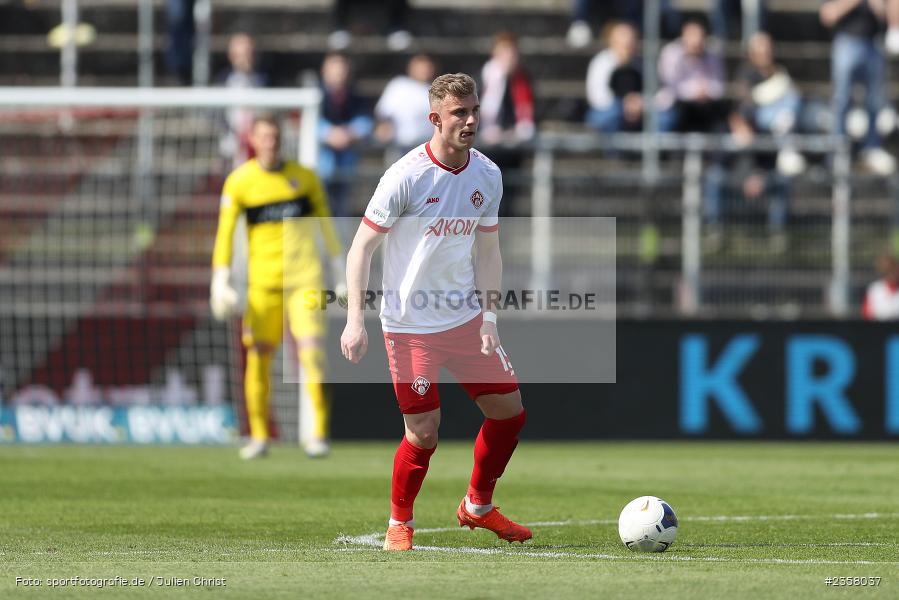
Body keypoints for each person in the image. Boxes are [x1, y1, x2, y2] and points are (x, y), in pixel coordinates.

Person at [340, 73, 530, 551]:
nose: (469, 120)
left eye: (474, 110)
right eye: (458, 113)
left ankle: (478, 506)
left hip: (464, 320)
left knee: (509, 412)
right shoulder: (405, 176)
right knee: (423, 433)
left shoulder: (488, 174)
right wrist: (355, 320)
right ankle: (399, 522)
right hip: (410, 326)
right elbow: (361, 248)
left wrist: (489, 319)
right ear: (435, 118)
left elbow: (489, 252)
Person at [210, 115, 346, 459]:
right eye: (264, 136)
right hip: (263, 284)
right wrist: (220, 278)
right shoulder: (240, 182)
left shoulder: (305, 178)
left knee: (312, 354)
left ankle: (318, 434)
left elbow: (326, 225)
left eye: (275, 136)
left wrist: (340, 270)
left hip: (305, 280)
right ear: (253, 140)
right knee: (258, 358)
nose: (270, 142)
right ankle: (259, 436)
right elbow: (225, 233)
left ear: (281, 139)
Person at [820, 0, 896, 175]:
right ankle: (838, 149)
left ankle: (872, 147)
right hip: (846, 41)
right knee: (841, 99)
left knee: (875, 101)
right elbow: (827, 15)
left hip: (872, 43)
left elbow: (885, 16)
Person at [479, 32, 535, 216]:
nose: (509, 57)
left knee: (508, 197)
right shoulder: (484, 77)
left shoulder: (522, 79)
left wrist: (518, 132)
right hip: (487, 148)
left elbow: (527, 112)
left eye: (512, 52)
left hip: (513, 147)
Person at [318, 53, 374, 217]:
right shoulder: (315, 94)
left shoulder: (355, 96)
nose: (340, 76)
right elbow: (307, 120)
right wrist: (328, 133)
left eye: (343, 72)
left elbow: (366, 122)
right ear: (324, 72)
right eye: (335, 72)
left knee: (342, 205)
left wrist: (349, 133)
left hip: (347, 159)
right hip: (322, 160)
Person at [657, 16, 729, 134]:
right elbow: (671, 84)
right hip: (676, 105)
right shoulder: (671, 53)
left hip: (706, 105)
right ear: (683, 35)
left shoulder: (713, 54)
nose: (695, 41)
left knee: (723, 122)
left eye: (699, 36)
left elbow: (719, 86)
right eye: (691, 35)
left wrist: (706, 91)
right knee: (667, 119)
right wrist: (694, 91)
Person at [217, 33, 270, 167]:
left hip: (258, 145)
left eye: (249, 53)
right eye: (241, 54)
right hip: (231, 145)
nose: (245, 58)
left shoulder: (265, 80)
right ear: (231, 56)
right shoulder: (222, 81)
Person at [374, 54, 437, 162]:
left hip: (427, 149)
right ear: (411, 67)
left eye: (427, 67)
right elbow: (383, 113)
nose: (424, 71)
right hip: (399, 146)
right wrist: (384, 126)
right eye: (420, 67)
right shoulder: (398, 85)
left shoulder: (436, 91)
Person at [585, 21, 644, 134]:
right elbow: (597, 97)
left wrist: (640, 103)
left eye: (630, 42)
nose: (627, 45)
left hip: (640, 110)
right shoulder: (601, 62)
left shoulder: (641, 64)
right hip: (610, 110)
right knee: (605, 117)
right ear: (612, 41)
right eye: (623, 42)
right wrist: (624, 105)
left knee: (663, 117)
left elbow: (655, 92)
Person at [863, 252, 899, 318]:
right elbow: (867, 315)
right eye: (888, 271)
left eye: (893, 269)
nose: (892, 273)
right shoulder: (874, 289)